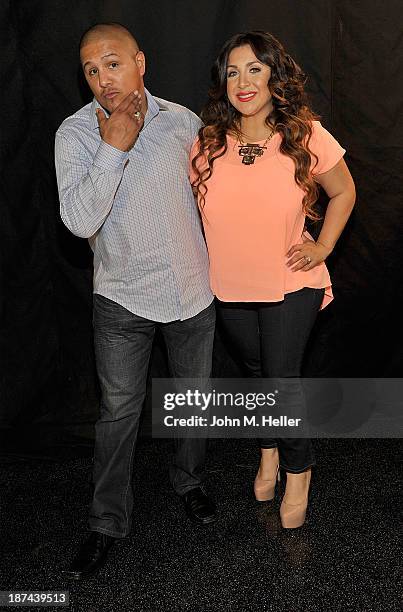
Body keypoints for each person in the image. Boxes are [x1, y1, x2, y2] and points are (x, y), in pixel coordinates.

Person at [55, 23, 217, 580]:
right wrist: (113, 148)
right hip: (122, 298)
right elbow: (77, 222)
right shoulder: (75, 134)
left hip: (191, 289)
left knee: (194, 400)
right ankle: (105, 523)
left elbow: (213, 199)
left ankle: (189, 482)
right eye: (91, 71)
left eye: (112, 64)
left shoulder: (182, 121)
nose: (103, 79)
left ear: (140, 61)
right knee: (118, 414)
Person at [191, 31, 356, 529]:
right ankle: (268, 447)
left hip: (289, 280)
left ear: (273, 76)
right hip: (228, 284)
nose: (243, 82)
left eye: (254, 69)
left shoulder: (306, 133)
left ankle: (298, 469)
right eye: (233, 71)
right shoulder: (205, 142)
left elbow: (344, 191)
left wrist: (323, 246)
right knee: (258, 372)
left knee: (281, 380)